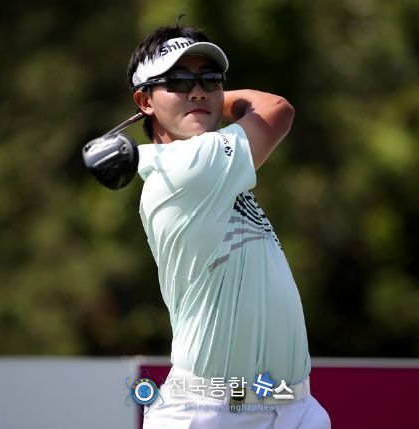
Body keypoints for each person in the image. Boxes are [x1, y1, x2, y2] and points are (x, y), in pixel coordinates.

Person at [127, 22, 331, 429]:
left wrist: (194, 100)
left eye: (210, 79)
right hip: (209, 412)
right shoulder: (190, 167)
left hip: (289, 401)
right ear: (145, 101)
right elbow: (276, 108)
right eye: (178, 81)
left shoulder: (212, 167)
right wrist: (213, 102)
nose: (197, 91)